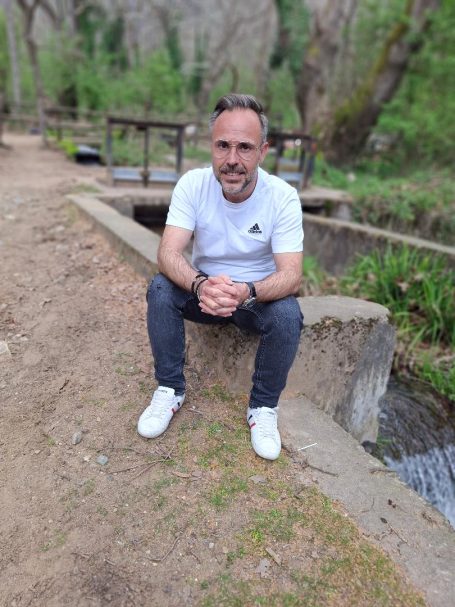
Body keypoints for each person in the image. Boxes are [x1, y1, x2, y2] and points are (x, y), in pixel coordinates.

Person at [137, 93, 304, 460]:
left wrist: (247, 290)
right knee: (161, 288)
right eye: (223, 145)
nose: (232, 159)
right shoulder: (192, 185)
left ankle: (263, 408)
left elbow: (292, 276)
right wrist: (200, 284)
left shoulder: (282, 197)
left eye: (245, 147)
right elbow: (167, 253)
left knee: (288, 313)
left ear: (263, 152)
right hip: (204, 292)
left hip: (254, 299)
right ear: (211, 146)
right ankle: (170, 389)